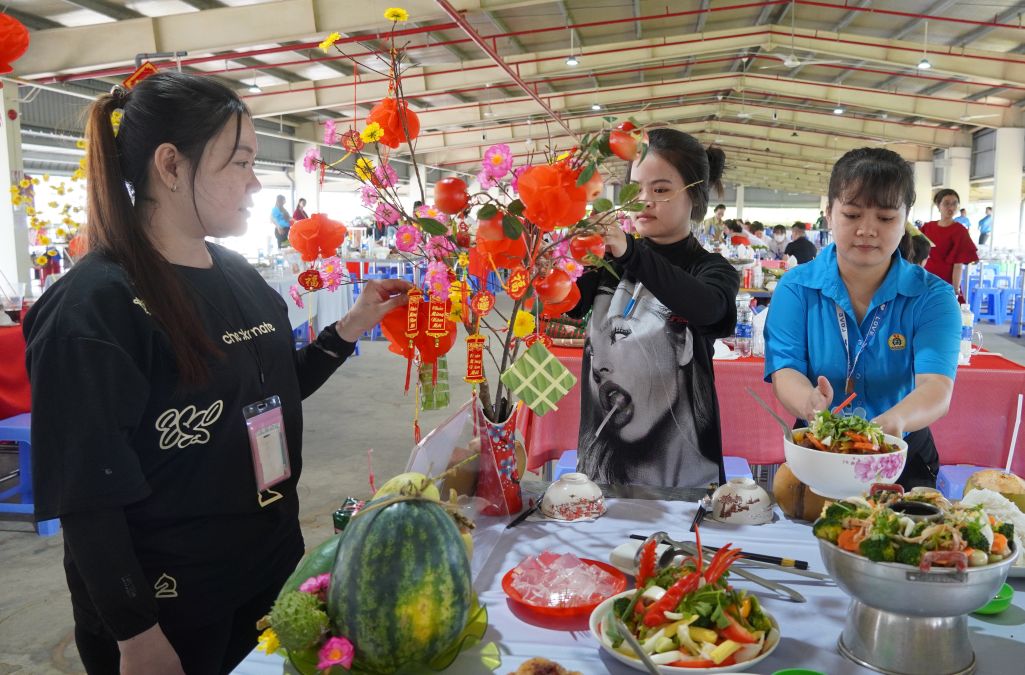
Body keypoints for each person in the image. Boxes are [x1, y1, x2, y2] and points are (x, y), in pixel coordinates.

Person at [22, 72, 410, 674]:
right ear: (171, 166)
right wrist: (136, 635)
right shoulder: (93, 308)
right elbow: (86, 497)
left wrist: (350, 327)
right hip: (171, 606)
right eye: (241, 162)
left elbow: (272, 394)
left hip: (270, 570)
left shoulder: (238, 275)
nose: (257, 182)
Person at [764, 147, 961, 489]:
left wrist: (897, 420)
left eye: (885, 218)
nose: (867, 230)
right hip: (818, 447)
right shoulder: (796, 287)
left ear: (905, 221)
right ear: (829, 214)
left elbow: (936, 386)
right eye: (853, 215)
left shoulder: (933, 297)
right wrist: (810, 403)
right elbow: (786, 370)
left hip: (900, 450)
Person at [570, 128, 739, 487]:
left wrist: (631, 252)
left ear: (693, 196)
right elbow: (565, 303)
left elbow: (708, 309)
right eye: (636, 188)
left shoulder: (711, 270)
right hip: (603, 481)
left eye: (660, 190)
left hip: (690, 487)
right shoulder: (605, 262)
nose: (643, 200)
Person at [921, 189, 978, 292]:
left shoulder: (960, 231)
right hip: (925, 277)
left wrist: (955, 288)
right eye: (946, 203)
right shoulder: (927, 227)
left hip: (946, 281)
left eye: (954, 203)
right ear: (938, 206)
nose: (951, 207)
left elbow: (958, 264)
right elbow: (917, 256)